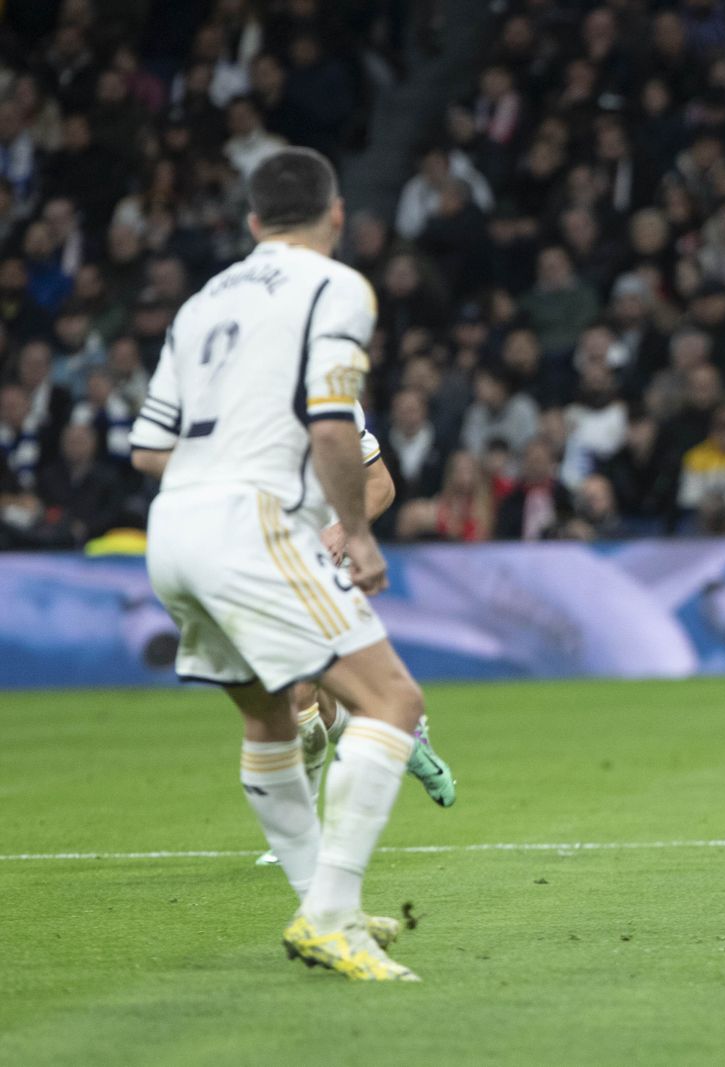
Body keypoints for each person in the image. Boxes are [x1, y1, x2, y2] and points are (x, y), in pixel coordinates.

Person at [129, 148, 425, 981]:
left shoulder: (199, 304)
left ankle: (318, 907)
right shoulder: (335, 288)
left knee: (270, 717)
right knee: (392, 700)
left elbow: (149, 448)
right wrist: (355, 536)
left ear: (253, 222)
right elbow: (335, 430)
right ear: (336, 216)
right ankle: (332, 915)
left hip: (174, 528)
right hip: (247, 522)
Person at [256, 402, 458, 870]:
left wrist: (344, 529)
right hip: (265, 561)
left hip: (325, 555)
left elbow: (380, 483)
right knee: (310, 712)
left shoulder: (334, 400)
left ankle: (298, 838)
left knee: (296, 690)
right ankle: (399, 736)